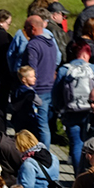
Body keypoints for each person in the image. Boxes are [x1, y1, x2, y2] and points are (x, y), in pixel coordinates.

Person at [54, 42, 94, 173]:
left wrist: (60, 110)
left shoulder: (64, 70)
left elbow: (56, 93)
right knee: (90, 145)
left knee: (76, 145)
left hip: (71, 112)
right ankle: (91, 173)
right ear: (86, 54)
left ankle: (78, 177)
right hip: (90, 111)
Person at [22, 16, 56, 147]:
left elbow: (32, 69)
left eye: (26, 29)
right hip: (50, 88)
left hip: (38, 91)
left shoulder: (33, 45)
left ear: (33, 28)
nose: (25, 32)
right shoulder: (51, 42)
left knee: (41, 125)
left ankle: (43, 154)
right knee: (45, 123)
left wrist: (30, 89)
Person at [10, 66, 41, 139]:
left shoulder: (17, 90)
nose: (34, 78)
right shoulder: (30, 92)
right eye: (32, 77)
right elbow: (39, 102)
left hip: (17, 118)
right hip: (28, 119)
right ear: (24, 79)